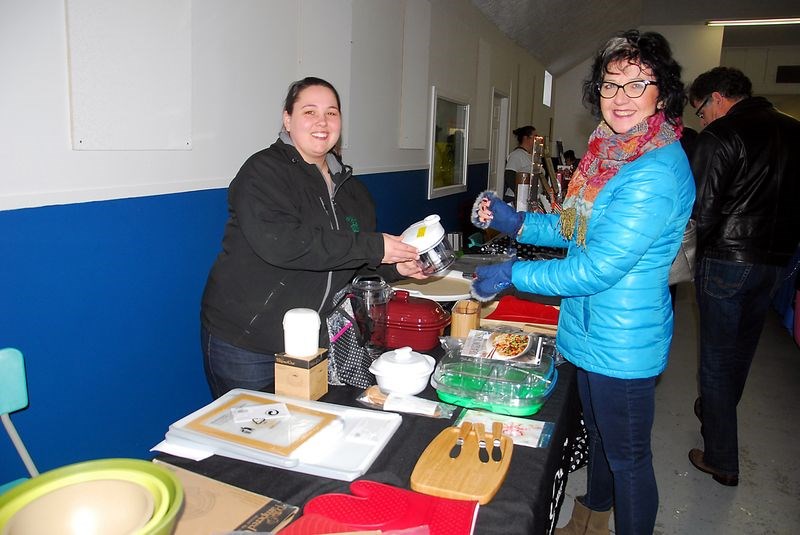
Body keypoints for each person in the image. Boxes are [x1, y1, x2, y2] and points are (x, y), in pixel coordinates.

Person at [470, 30, 694, 535]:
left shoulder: (654, 169)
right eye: (611, 85)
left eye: (638, 85)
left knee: (629, 457)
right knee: (597, 434)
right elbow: (578, 228)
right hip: (593, 327)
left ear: (663, 93)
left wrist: (513, 273)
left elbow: (598, 266)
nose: (620, 98)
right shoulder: (609, 154)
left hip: (623, 337)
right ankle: (592, 516)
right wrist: (518, 222)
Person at [200, 77, 424, 399]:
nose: (322, 122)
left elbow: (350, 262)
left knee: (303, 432)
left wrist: (396, 268)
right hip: (249, 340)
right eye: (309, 111)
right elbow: (285, 245)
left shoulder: (353, 191)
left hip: (311, 340)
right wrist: (375, 247)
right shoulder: (263, 172)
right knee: (251, 440)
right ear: (287, 119)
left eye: (331, 113)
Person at [686, 67, 800, 486]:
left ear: (717, 98)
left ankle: (721, 457)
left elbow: (702, 211)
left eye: (700, 111)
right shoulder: (794, 132)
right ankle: (715, 412)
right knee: (740, 353)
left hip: (727, 260)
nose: (701, 121)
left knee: (715, 359)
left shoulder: (721, 136)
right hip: (775, 262)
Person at [503, 125, 537, 204]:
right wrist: (521, 194)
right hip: (516, 199)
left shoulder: (531, 156)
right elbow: (509, 175)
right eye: (534, 137)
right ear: (525, 138)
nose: (536, 141)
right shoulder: (516, 155)